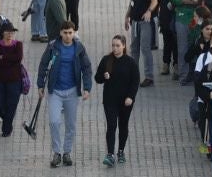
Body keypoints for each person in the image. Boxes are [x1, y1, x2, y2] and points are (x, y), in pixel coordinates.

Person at [37, 21, 94, 167]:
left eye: (70, 32)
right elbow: (43, 65)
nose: (68, 36)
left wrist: (87, 87)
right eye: (65, 33)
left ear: (74, 33)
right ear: (61, 33)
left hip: (72, 91)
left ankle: (67, 152)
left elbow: (87, 68)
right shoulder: (53, 46)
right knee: (54, 121)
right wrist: (40, 85)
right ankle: (57, 152)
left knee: (70, 124)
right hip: (55, 91)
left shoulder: (79, 48)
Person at [96, 33, 141, 167]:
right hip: (110, 100)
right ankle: (110, 154)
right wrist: (103, 76)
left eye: (118, 45)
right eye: (113, 45)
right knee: (111, 126)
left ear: (124, 46)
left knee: (123, 125)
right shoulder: (106, 60)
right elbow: (97, 78)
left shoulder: (130, 62)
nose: (115, 48)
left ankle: (121, 151)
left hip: (125, 101)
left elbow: (135, 81)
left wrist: (130, 97)